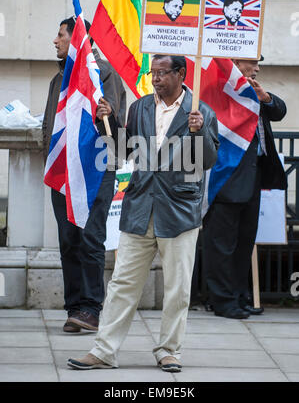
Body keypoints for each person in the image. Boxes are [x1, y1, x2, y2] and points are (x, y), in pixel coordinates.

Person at [67, 54, 219, 372]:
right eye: (154, 73)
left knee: (177, 286)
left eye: (163, 73)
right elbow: (124, 152)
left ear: (181, 74)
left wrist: (199, 131)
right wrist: (107, 122)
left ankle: (168, 350)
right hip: (140, 207)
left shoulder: (201, 110)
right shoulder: (140, 108)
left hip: (180, 210)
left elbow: (205, 161)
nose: (156, 78)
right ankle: (104, 350)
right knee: (123, 282)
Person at [42, 16, 126, 332]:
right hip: (63, 170)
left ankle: (91, 307)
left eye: (61, 35)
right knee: (68, 240)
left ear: (78, 39)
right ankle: (74, 307)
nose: (56, 41)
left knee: (90, 238)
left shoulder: (103, 74)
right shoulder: (57, 80)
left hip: (95, 170)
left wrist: (107, 114)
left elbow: (117, 128)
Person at [202, 56, 287, 319]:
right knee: (221, 243)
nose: (258, 68)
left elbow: (279, 112)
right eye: (252, 62)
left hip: (255, 177)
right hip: (227, 177)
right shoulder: (221, 91)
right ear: (235, 63)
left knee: (244, 243)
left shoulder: (254, 91)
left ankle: (239, 295)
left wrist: (266, 98)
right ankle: (222, 300)